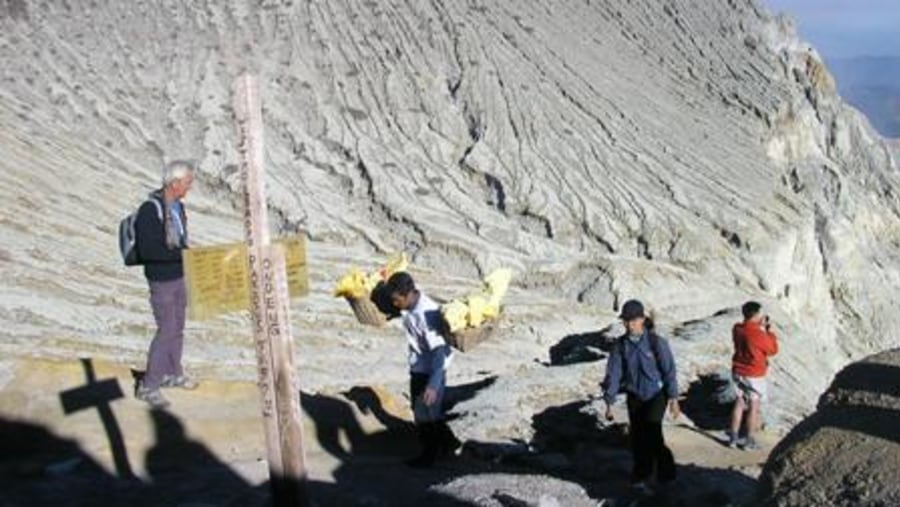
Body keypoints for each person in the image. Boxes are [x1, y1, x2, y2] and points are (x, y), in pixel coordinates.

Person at [134, 160, 198, 408]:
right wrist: (182, 255)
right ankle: (148, 385)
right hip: (161, 280)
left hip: (178, 276)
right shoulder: (151, 210)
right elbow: (149, 249)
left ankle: (172, 373)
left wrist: (186, 256)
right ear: (174, 183)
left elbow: (180, 242)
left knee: (178, 327)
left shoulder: (178, 208)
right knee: (166, 330)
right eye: (187, 182)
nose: (189, 187)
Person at [602, 299, 680, 493]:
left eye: (632, 320)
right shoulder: (620, 346)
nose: (628, 325)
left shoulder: (656, 342)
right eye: (625, 321)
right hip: (635, 394)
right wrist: (609, 401)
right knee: (638, 437)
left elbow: (669, 370)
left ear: (642, 320)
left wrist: (673, 399)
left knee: (652, 434)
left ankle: (666, 472)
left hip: (656, 394)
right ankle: (640, 477)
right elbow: (614, 373)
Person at [386, 271, 461, 467]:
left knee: (423, 415)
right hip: (419, 367)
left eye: (396, 300)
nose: (395, 304)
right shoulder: (411, 305)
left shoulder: (427, 315)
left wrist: (434, 384)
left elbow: (440, 351)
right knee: (426, 411)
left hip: (430, 370)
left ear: (407, 294)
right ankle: (450, 443)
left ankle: (429, 456)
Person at [728, 301, 778, 450]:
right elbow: (773, 349)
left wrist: (760, 327)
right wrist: (768, 331)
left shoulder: (737, 328)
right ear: (756, 314)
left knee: (739, 402)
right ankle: (749, 441)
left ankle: (733, 438)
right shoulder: (756, 333)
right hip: (754, 374)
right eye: (760, 314)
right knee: (754, 405)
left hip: (738, 370)